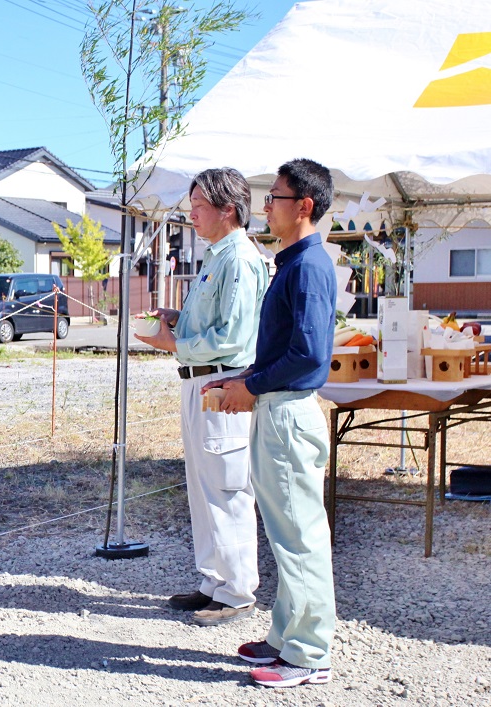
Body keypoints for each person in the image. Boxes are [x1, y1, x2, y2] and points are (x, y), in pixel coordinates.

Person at [202, 158, 337, 688]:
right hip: (277, 408)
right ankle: (287, 637)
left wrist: (249, 386)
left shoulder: (307, 267)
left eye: (276, 197)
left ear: (304, 206)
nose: (267, 206)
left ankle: (308, 654)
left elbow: (307, 357)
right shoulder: (294, 262)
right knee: (286, 534)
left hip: (287, 412)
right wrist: (244, 378)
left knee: (300, 537)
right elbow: (285, 348)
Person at [135, 167, 268, 627]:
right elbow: (214, 323)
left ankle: (236, 590)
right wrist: (178, 317)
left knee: (227, 485)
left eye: (198, 208)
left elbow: (233, 336)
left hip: (223, 382)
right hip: (201, 380)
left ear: (228, 210)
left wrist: (173, 342)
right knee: (205, 486)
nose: (191, 216)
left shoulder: (239, 258)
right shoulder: (218, 255)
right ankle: (214, 580)